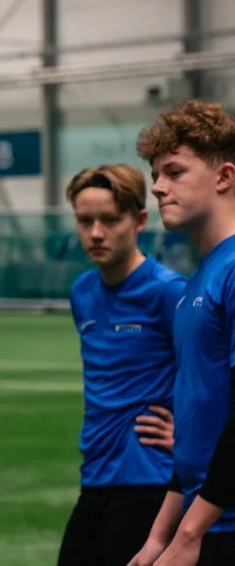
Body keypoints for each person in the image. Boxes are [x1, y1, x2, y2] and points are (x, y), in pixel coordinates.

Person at [56, 164, 185, 566]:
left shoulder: (169, 292)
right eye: (85, 220)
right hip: (94, 474)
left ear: (140, 220)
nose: (96, 233)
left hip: (150, 479)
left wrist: (187, 433)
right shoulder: (82, 292)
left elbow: (209, 378)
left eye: (110, 220)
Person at [128, 100, 235, 566]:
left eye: (174, 171)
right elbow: (200, 427)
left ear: (224, 177)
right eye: (156, 174)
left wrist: (190, 534)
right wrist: (160, 535)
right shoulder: (199, 277)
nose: (157, 187)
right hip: (204, 521)